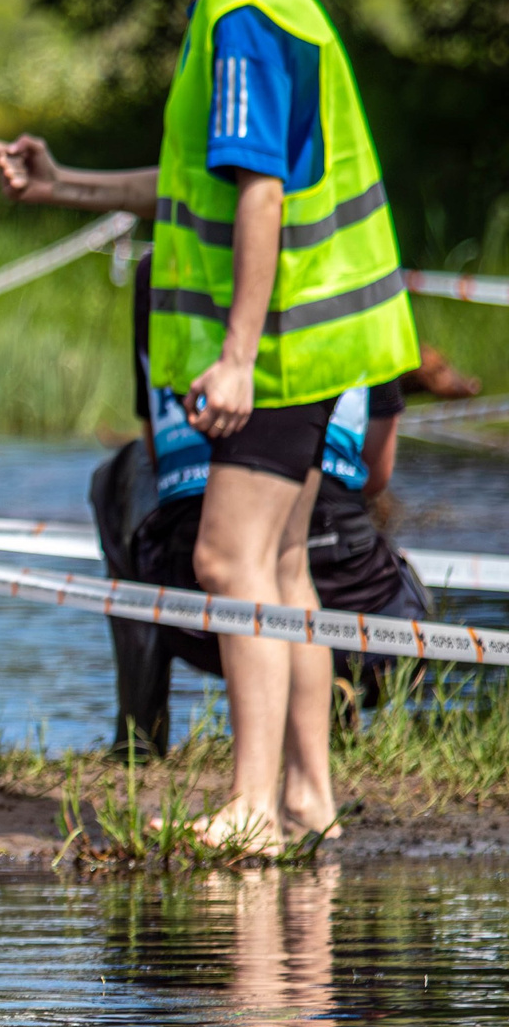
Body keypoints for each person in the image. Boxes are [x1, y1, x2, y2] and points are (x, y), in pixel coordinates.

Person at [0, 0, 417, 850]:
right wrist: (68, 186)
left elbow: (264, 191)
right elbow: (205, 180)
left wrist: (234, 357)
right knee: (282, 569)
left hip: (280, 344)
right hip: (315, 338)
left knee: (228, 560)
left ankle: (252, 808)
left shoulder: (241, 13)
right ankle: (307, 796)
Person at [95, 252, 429, 757]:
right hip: (352, 597)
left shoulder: (165, 265)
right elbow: (375, 474)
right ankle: (312, 723)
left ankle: (143, 734)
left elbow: (154, 448)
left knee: (246, 554)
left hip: (203, 611)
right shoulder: (361, 265)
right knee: (280, 560)